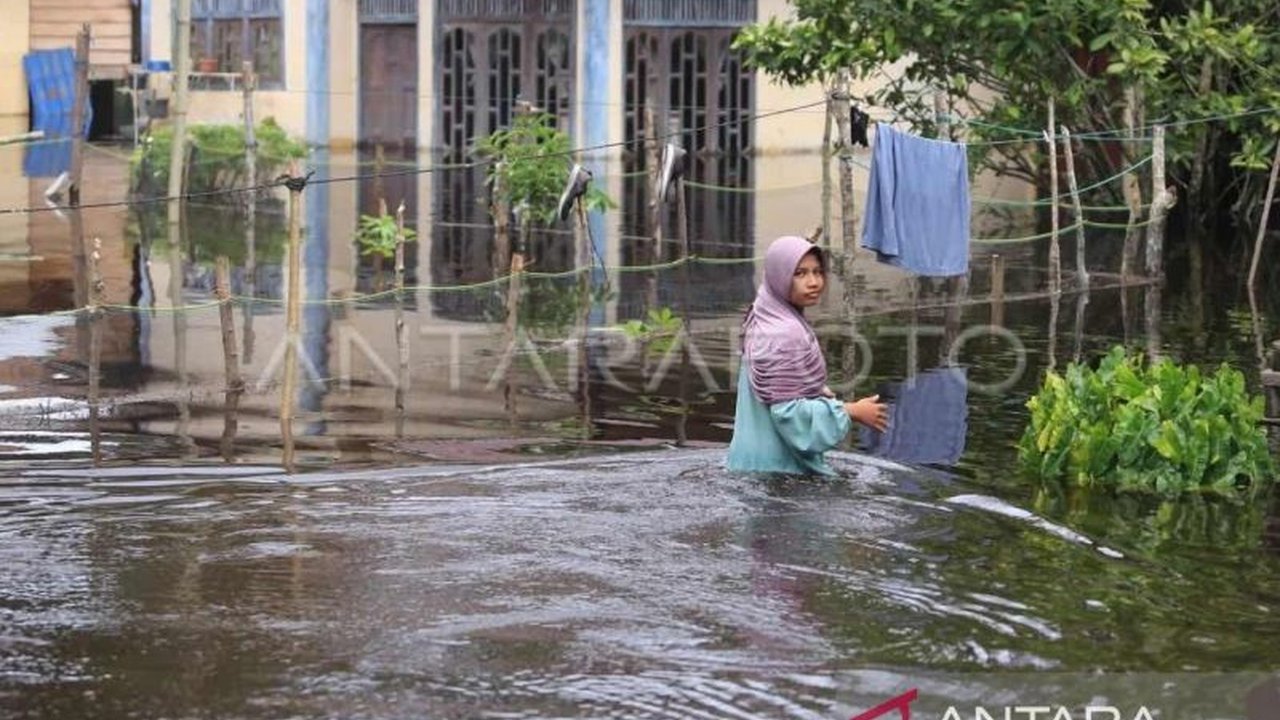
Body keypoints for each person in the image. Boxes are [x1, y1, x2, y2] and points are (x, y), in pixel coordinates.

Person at [727, 235, 888, 475]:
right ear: (779, 276)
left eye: (817, 272)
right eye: (800, 273)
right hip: (778, 472)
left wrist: (815, 391)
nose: (813, 282)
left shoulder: (762, 316)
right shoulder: (787, 333)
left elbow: (773, 387)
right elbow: (787, 413)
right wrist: (851, 411)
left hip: (746, 463)